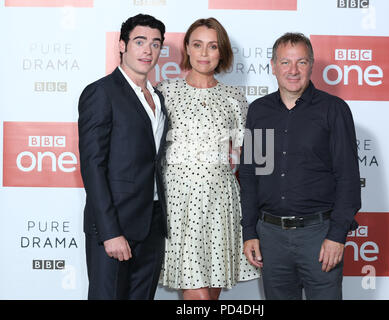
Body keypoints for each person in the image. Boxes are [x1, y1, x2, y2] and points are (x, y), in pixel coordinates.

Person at [239, 32, 361, 300]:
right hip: (270, 237)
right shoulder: (259, 111)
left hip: (319, 237)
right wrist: (249, 231)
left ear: (311, 65)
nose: (293, 70)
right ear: (273, 66)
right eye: (285, 62)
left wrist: (337, 235)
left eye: (301, 62)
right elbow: (251, 174)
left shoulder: (333, 109)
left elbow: (348, 178)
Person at [156, 17, 259, 300]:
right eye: (197, 45)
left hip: (220, 202)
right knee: (199, 296)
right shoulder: (164, 92)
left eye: (212, 46)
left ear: (221, 52)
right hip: (179, 203)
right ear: (187, 48)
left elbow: (254, 158)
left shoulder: (234, 97)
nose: (204, 53)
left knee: (210, 296)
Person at [78, 14, 168, 300]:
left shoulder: (157, 97)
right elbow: (93, 166)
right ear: (121, 45)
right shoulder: (101, 93)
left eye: (155, 44)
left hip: (152, 224)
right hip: (115, 225)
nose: (147, 51)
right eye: (139, 42)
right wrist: (110, 232)